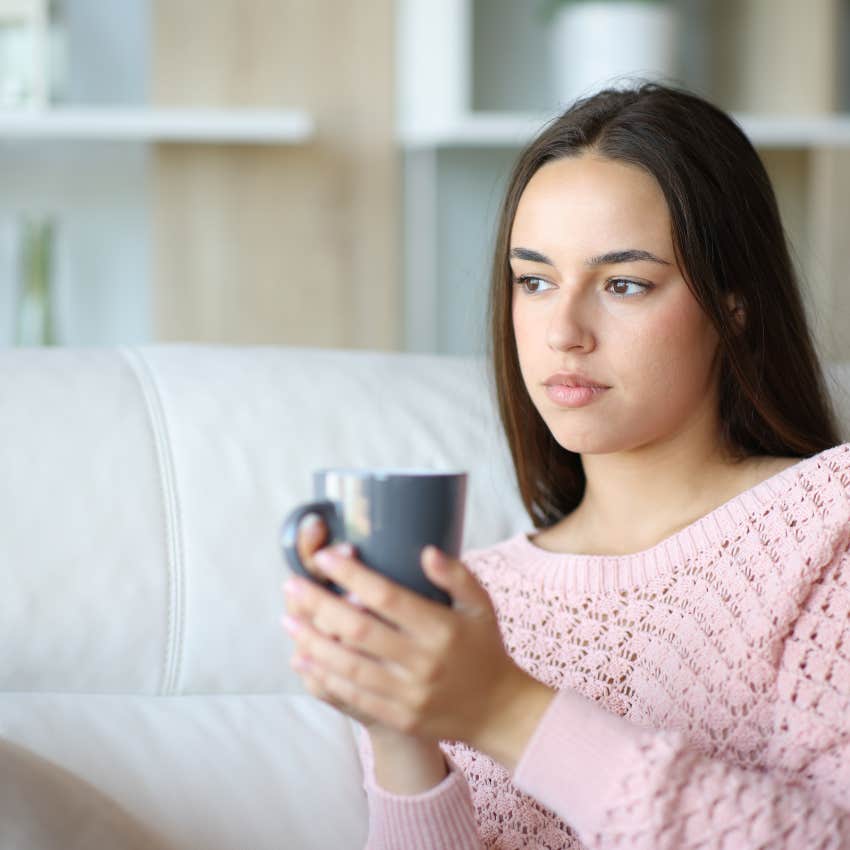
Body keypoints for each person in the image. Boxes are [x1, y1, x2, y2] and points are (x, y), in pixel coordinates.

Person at [281, 82, 850, 849]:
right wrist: (399, 730)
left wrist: (505, 711)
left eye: (624, 284)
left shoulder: (829, 527)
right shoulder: (472, 604)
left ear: (734, 307)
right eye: (535, 281)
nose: (564, 332)